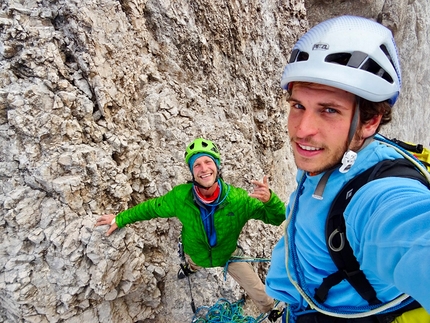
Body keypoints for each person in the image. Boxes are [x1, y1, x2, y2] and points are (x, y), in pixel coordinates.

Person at [265, 15, 430, 322]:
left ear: (370, 121)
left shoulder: (377, 196)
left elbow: (412, 233)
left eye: (329, 110)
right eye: (298, 105)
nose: (303, 130)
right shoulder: (330, 154)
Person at [95, 138, 286, 314]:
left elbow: (277, 218)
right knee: (194, 261)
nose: (204, 169)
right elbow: (151, 208)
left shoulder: (239, 200)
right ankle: (191, 267)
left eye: (208, 162)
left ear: (217, 166)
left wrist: (270, 200)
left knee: (258, 289)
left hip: (228, 254)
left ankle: (270, 310)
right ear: (192, 171)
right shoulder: (180, 197)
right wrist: (120, 219)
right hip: (197, 253)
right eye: (197, 165)